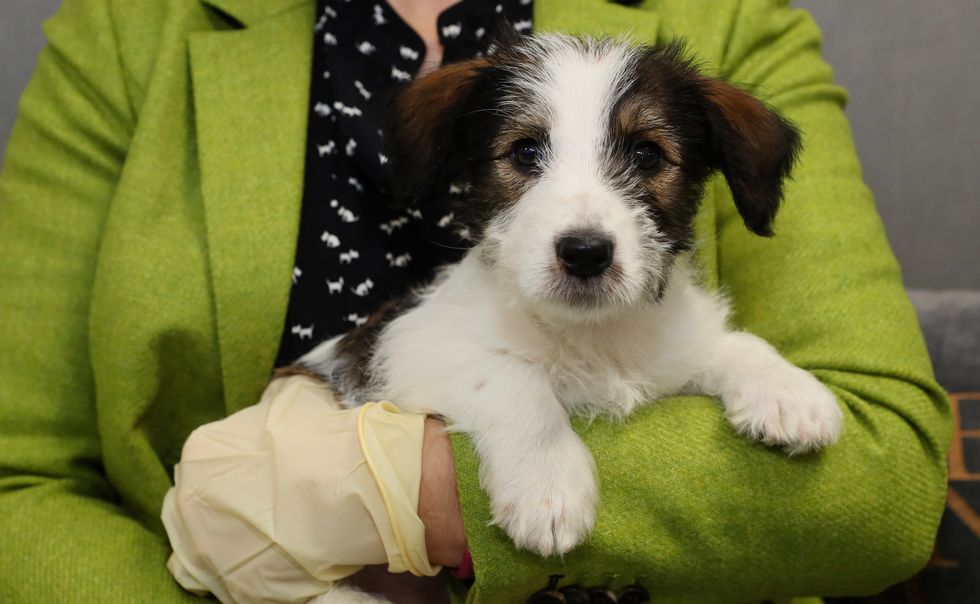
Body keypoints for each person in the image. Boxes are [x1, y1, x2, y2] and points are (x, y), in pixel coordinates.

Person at [0, 0, 950, 602]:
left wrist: (753, 368)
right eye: (527, 154)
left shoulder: (740, 21)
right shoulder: (126, 32)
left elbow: (883, 472)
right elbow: (422, 356)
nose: (585, 221)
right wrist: (526, 434)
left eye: (647, 157)